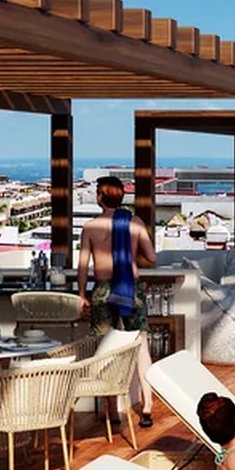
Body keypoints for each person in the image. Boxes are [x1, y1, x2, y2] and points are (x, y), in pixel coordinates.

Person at [77, 175, 156, 427]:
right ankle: (148, 403)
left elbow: (83, 265)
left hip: (101, 289)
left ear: (100, 197)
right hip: (130, 289)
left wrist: (81, 294)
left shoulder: (90, 227)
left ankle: (110, 409)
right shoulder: (133, 223)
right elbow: (152, 257)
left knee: (105, 348)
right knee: (141, 345)